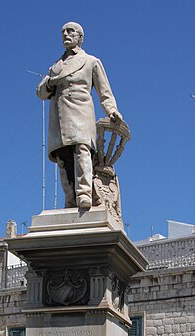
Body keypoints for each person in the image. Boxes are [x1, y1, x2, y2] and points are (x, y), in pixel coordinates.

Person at [37, 22, 122, 210]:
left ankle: (84, 193)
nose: (66, 35)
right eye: (63, 32)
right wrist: (51, 82)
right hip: (59, 116)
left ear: (80, 37)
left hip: (81, 112)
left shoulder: (91, 61)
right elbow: (41, 92)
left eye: (70, 31)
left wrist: (112, 110)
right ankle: (70, 198)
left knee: (82, 150)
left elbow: (104, 91)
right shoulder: (55, 67)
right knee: (63, 156)